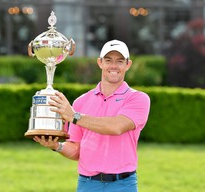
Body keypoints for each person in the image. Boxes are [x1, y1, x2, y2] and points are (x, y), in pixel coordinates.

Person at [33, 39, 150, 192]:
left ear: (128, 65)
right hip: (87, 184)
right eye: (108, 60)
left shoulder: (138, 98)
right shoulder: (81, 102)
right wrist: (56, 146)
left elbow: (116, 127)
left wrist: (74, 116)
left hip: (122, 184)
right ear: (100, 62)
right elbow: (76, 150)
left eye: (119, 61)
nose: (114, 66)